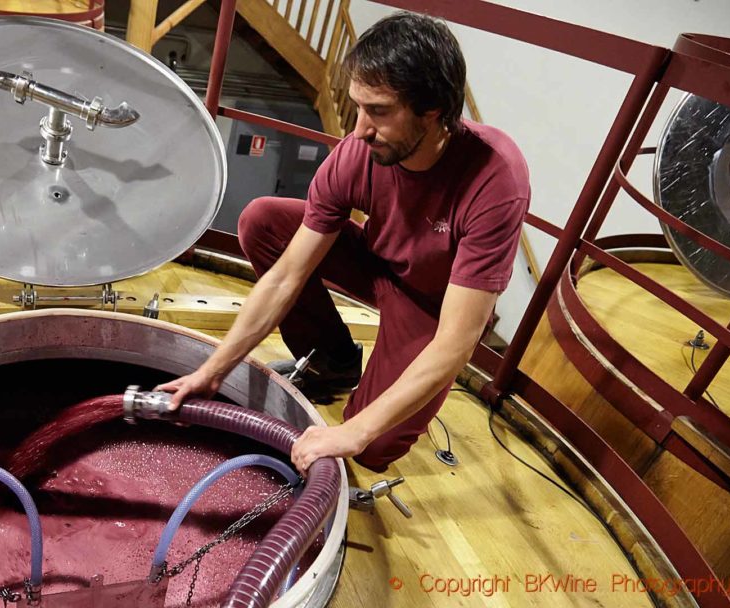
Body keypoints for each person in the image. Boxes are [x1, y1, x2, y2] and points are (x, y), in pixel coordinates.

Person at [156, 11, 530, 475]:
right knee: (263, 222)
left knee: (372, 446)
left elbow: (457, 340)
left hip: (434, 306)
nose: (359, 129)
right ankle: (333, 361)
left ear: (432, 111)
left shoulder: (495, 180)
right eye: (358, 106)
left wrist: (354, 430)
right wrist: (212, 370)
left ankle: (362, 403)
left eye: (378, 111)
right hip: (378, 262)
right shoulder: (359, 153)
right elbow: (286, 276)